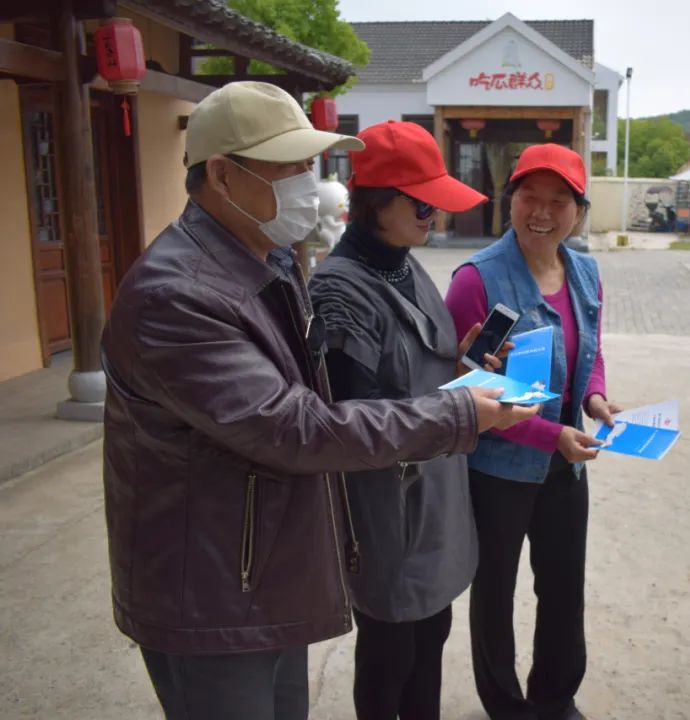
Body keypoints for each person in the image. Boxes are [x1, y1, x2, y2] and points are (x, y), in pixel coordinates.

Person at [100, 82, 537, 720]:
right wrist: (461, 410)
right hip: (211, 590)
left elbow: (311, 395)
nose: (312, 184)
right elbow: (298, 427)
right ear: (223, 175)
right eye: (292, 166)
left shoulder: (266, 262)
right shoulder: (178, 295)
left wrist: (454, 374)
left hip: (267, 566)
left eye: (312, 165)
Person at [308, 120, 495, 720]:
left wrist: (462, 366)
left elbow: (416, 369)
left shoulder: (405, 263)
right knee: (390, 651)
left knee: (432, 633)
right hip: (388, 501)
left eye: (436, 202)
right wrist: (459, 406)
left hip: (435, 486)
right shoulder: (339, 291)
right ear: (374, 201)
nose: (432, 215)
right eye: (420, 202)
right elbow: (354, 419)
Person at [445, 144, 621, 720]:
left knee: (564, 587)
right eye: (529, 197)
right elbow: (468, 388)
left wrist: (593, 397)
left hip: (566, 464)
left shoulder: (585, 272)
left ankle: (554, 697)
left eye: (559, 201)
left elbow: (591, 351)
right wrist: (552, 436)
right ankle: (505, 704)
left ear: (579, 211)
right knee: (494, 593)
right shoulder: (476, 280)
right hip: (497, 467)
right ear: (510, 201)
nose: (542, 212)